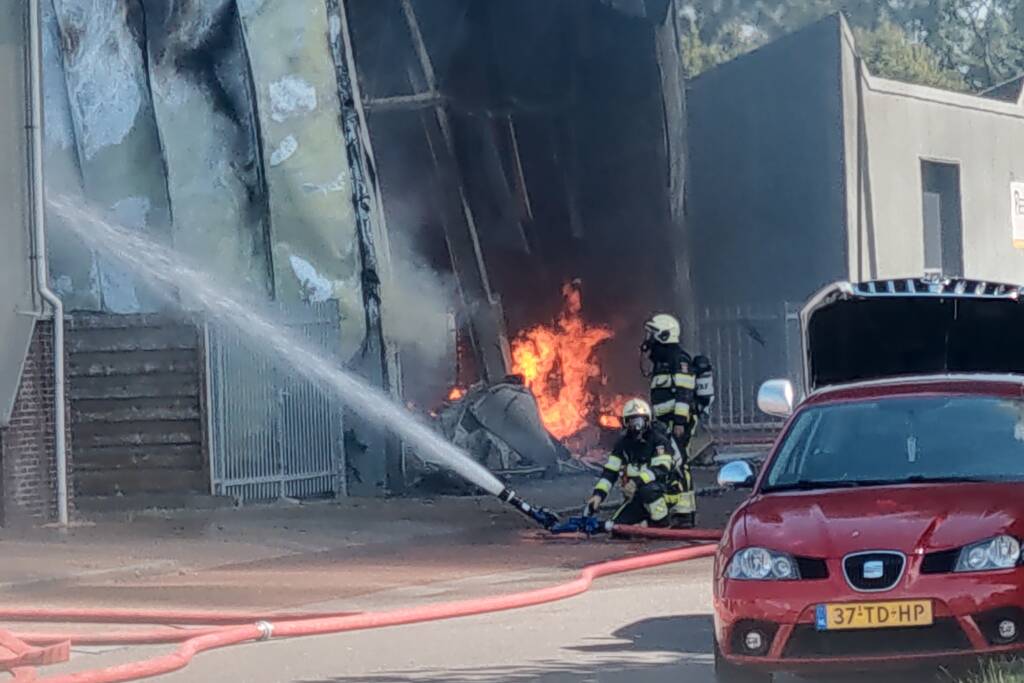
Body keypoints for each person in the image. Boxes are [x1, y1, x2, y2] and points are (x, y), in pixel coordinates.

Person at [642, 313, 715, 528]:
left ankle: (685, 513)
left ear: (664, 336)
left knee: (678, 462)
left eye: (652, 334)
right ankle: (678, 509)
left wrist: (680, 422)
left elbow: (684, 392)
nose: (649, 339)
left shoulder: (679, 360)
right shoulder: (663, 362)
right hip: (666, 422)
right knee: (673, 462)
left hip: (677, 422)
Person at [586, 398, 672, 527]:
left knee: (648, 490)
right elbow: (610, 472)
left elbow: (661, 468)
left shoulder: (658, 441)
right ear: (624, 422)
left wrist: (635, 482)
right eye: (631, 421)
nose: (636, 426)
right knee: (617, 528)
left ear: (648, 420)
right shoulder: (622, 444)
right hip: (635, 497)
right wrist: (598, 495)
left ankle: (661, 523)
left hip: (661, 493)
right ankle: (645, 523)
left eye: (639, 421)